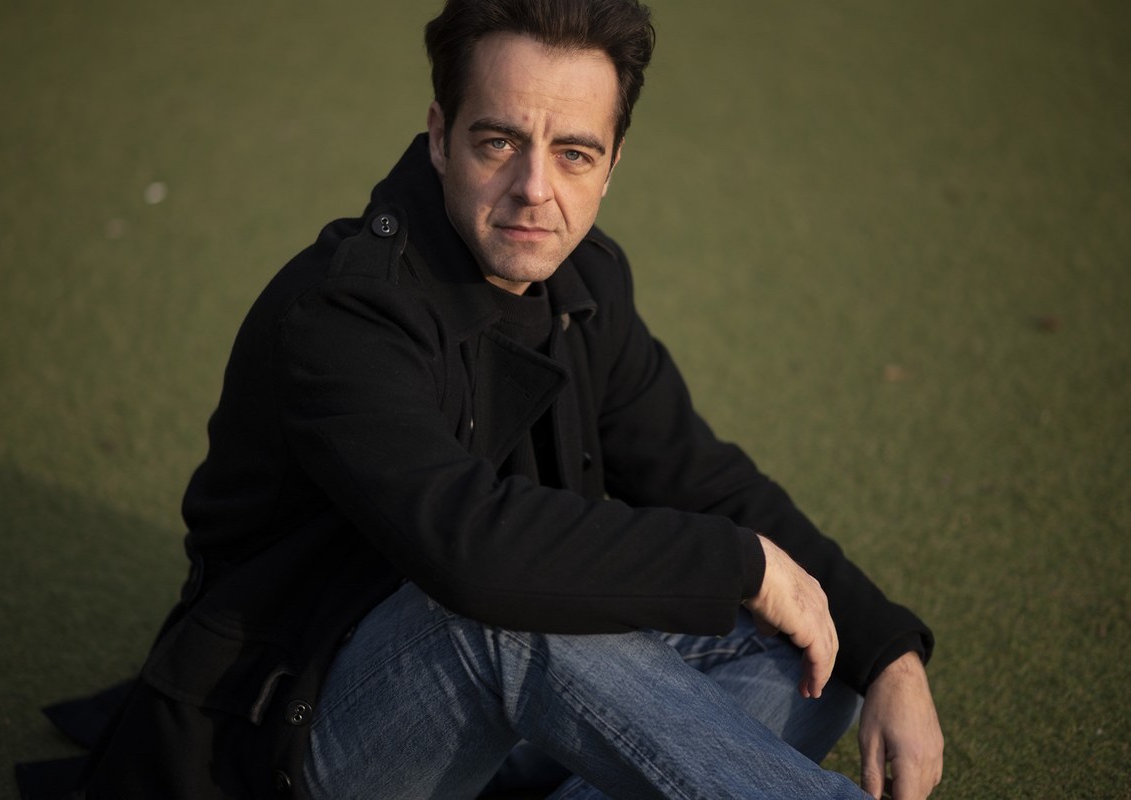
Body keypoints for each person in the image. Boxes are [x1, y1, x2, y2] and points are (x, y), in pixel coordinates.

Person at [81, 0, 944, 797]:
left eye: (574, 153)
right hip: (287, 740)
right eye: (499, 143)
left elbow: (702, 477)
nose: (535, 188)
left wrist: (891, 654)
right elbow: (475, 552)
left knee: (812, 646)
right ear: (439, 137)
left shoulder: (587, 282)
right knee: (502, 608)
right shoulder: (344, 312)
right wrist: (742, 565)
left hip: (491, 717)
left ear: (611, 166)